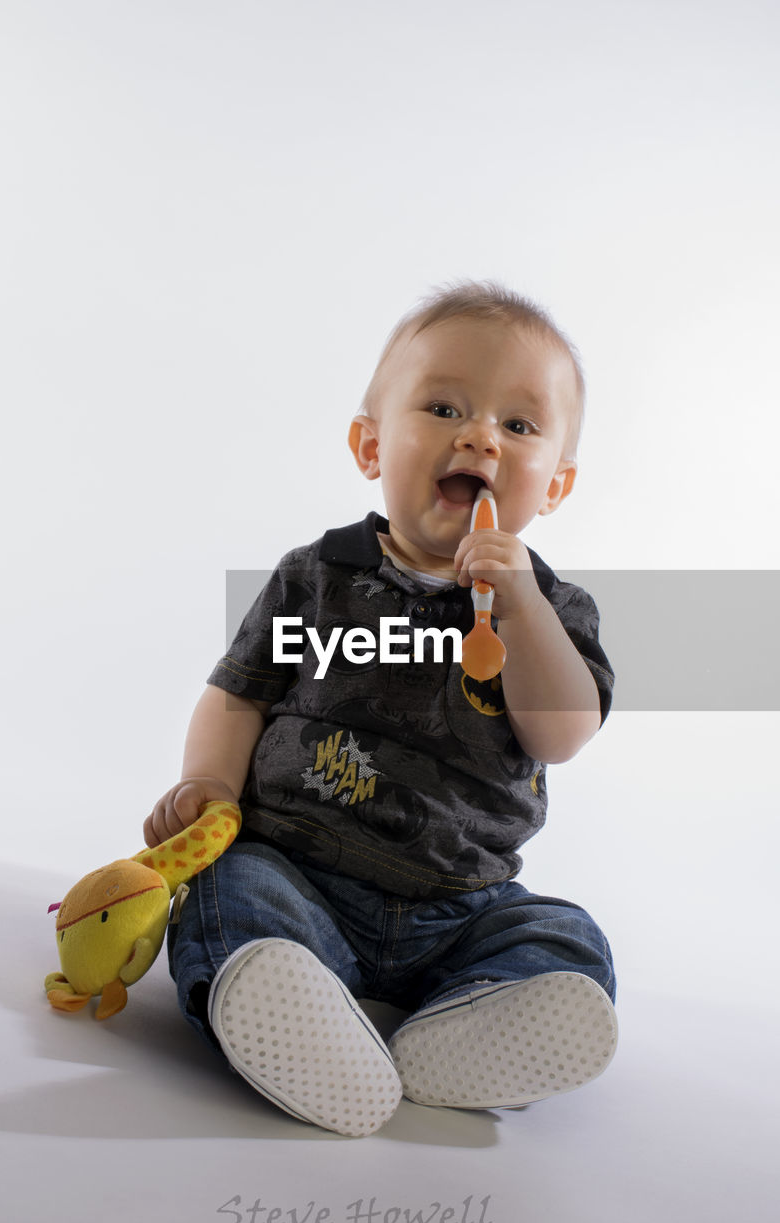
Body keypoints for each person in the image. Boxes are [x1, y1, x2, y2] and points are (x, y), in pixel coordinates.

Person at [144, 281, 618, 1138]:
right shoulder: (317, 575)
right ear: (369, 445)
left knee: (564, 938)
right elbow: (238, 693)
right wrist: (208, 785)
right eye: (443, 407)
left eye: (519, 426)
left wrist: (518, 608)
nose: (480, 436)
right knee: (229, 892)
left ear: (556, 486)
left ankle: (462, 1030)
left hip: (461, 900)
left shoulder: (552, 609)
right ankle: (293, 1006)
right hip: (298, 868)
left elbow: (562, 733)